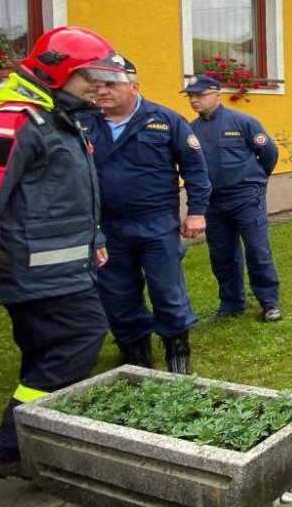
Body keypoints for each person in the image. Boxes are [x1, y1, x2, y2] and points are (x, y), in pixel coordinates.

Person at [0, 27, 130, 478]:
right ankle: (17, 447)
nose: (99, 86)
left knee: (45, 353)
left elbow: (65, 197)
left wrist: (95, 241)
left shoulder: (54, 118)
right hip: (37, 271)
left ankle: (21, 450)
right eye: (90, 77)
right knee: (79, 339)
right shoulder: (11, 123)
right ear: (56, 72)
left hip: (59, 266)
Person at [79, 60, 211, 375]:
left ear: (134, 87)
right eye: (98, 84)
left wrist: (196, 212)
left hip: (156, 222)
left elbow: (195, 169)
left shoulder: (165, 120)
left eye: (112, 84)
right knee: (117, 292)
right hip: (106, 226)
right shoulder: (82, 122)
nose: (102, 91)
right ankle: (136, 352)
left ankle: (177, 350)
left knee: (167, 289)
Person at [183, 74, 282, 323]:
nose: (194, 100)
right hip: (213, 202)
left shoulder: (242, 122)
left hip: (245, 198)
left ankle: (269, 302)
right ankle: (231, 304)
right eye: (191, 96)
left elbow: (268, 154)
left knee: (257, 250)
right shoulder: (191, 130)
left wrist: (255, 181)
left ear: (218, 95)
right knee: (222, 254)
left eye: (200, 95)